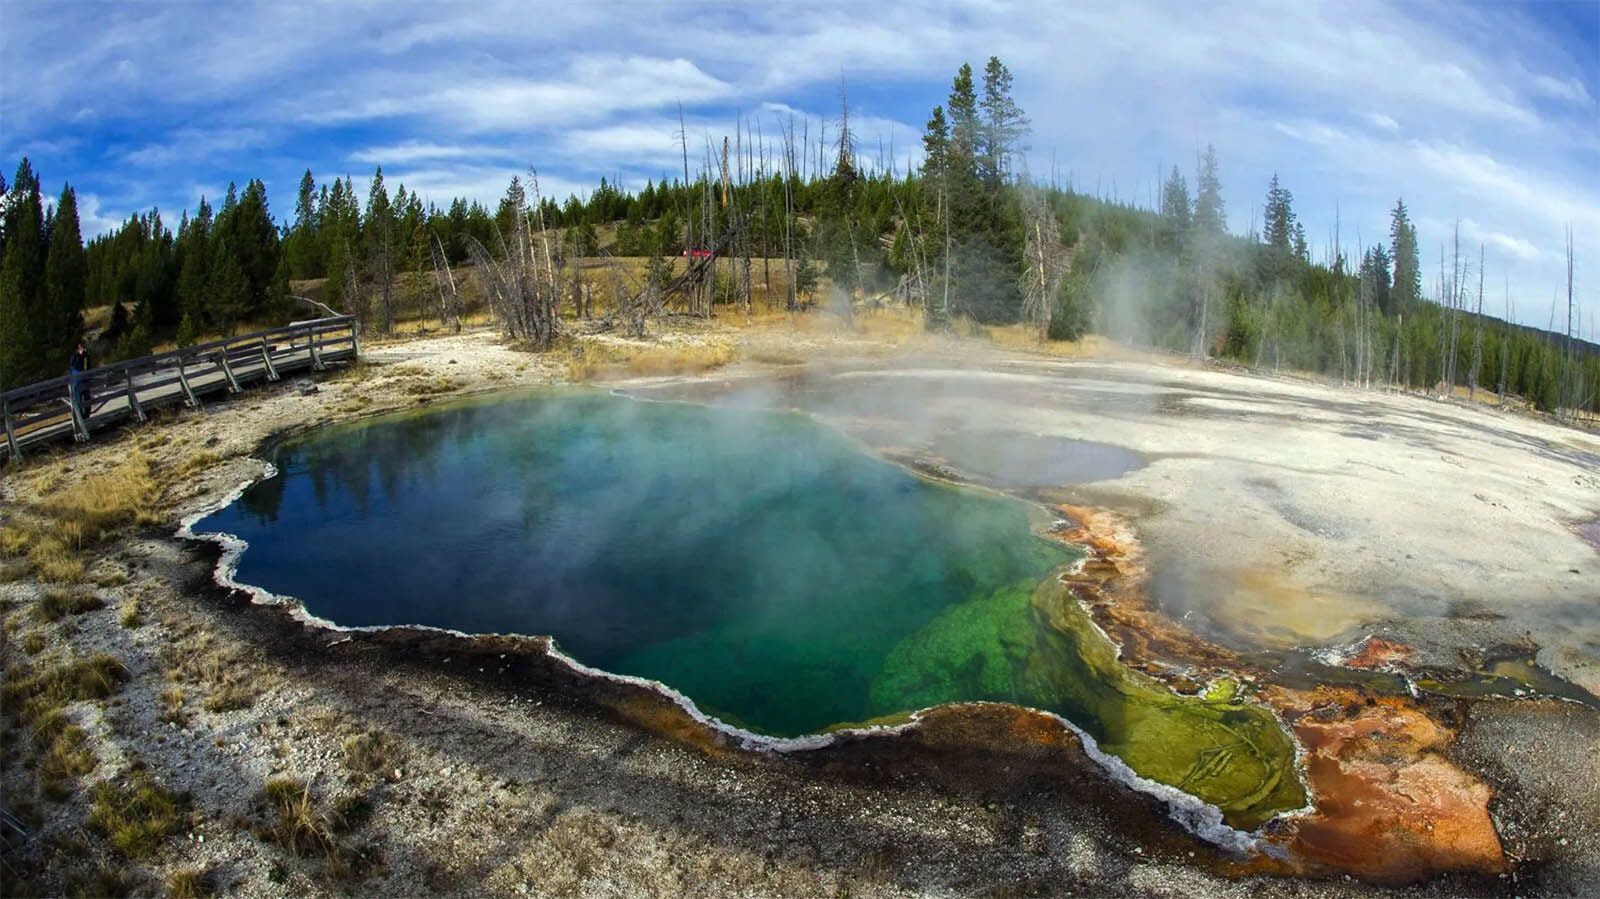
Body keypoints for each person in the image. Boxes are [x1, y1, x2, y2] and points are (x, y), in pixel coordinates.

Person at [68, 342, 91, 418]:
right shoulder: (74, 357)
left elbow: (87, 367)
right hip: (77, 382)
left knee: (87, 398)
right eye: (81, 348)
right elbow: (76, 367)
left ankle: (87, 416)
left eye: (83, 347)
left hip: (85, 381)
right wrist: (81, 355)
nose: (83, 349)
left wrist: (85, 355)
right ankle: (80, 417)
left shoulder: (85, 357)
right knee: (78, 400)